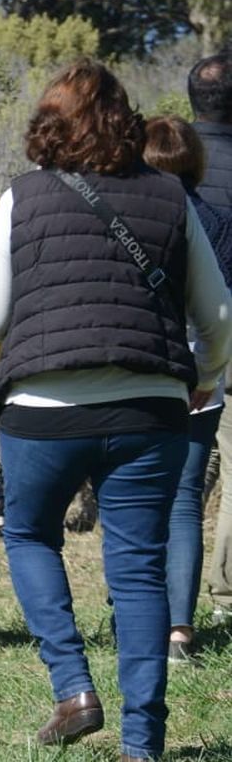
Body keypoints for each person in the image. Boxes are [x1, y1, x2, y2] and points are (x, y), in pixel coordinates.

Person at [0, 60, 232, 762]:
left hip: (42, 408)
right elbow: (218, 313)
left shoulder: (20, 197)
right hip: (150, 408)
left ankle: (74, 689)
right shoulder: (171, 196)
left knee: (29, 536)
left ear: (48, 124)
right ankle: (143, 743)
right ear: (127, 121)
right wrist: (205, 377)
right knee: (138, 569)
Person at [142, 116, 232, 663]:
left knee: (130, 500)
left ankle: (133, 606)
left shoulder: (129, 212)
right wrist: (206, 375)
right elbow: (219, 309)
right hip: (198, 378)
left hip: (135, 376)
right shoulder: (217, 222)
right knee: (183, 505)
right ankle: (179, 629)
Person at [187, 52, 232, 626]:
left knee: (177, 479)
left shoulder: (161, 159)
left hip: (174, 337)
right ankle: (225, 596)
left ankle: (156, 600)